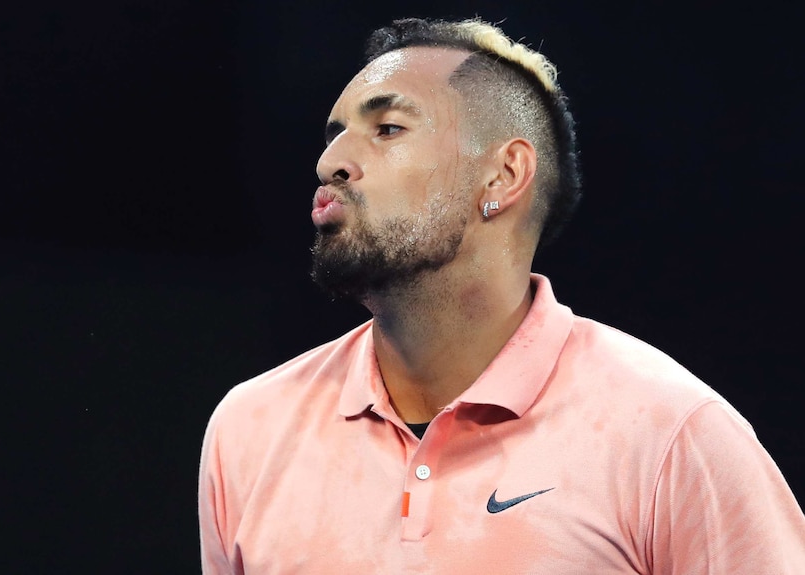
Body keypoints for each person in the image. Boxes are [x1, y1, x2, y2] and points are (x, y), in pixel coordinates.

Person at [198, 17, 805, 574]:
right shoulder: (249, 429)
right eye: (335, 136)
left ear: (504, 175)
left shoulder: (672, 434)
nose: (332, 161)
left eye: (387, 128)